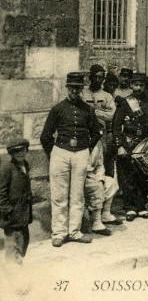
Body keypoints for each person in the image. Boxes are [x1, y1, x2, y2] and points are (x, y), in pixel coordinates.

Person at [40, 72, 101, 247]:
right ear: (67, 88)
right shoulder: (58, 109)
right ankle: (58, 233)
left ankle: (74, 231)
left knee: (77, 195)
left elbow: (96, 133)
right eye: (72, 87)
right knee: (59, 195)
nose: (75, 91)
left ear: (82, 89)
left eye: (78, 88)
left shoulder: (88, 110)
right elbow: (46, 136)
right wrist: (54, 153)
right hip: (60, 153)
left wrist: (86, 148)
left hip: (81, 154)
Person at [113, 73, 148, 221]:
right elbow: (116, 126)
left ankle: (141, 207)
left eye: (141, 85)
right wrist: (120, 146)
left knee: (144, 176)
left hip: (145, 142)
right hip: (129, 142)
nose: (138, 88)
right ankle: (130, 208)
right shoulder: (125, 103)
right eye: (136, 85)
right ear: (131, 86)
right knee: (128, 176)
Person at [0, 138, 33, 265]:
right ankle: (13, 274)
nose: (20, 153)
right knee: (12, 246)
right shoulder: (6, 168)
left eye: (23, 150)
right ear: (11, 154)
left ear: (26, 150)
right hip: (12, 216)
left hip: (23, 214)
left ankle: (17, 264)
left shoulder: (25, 164)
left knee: (23, 242)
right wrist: (8, 211)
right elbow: (1, 193)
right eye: (16, 152)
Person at [82, 64, 117, 178]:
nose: (98, 80)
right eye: (95, 77)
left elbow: (111, 115)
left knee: (102, 159)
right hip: (85, 132)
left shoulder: (107, 96)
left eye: (101, 77)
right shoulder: (82, 93)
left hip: (102, 134)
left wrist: (94, 113)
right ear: (90, 77)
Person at [83, 137, 120, 235]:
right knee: (96, 187)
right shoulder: (80, 139)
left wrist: (100, 178)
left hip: (93, 175)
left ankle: (105, 214)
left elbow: (100, 164)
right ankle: (96, 222)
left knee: (111, 183)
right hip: (81, 177)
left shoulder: (97, 143)